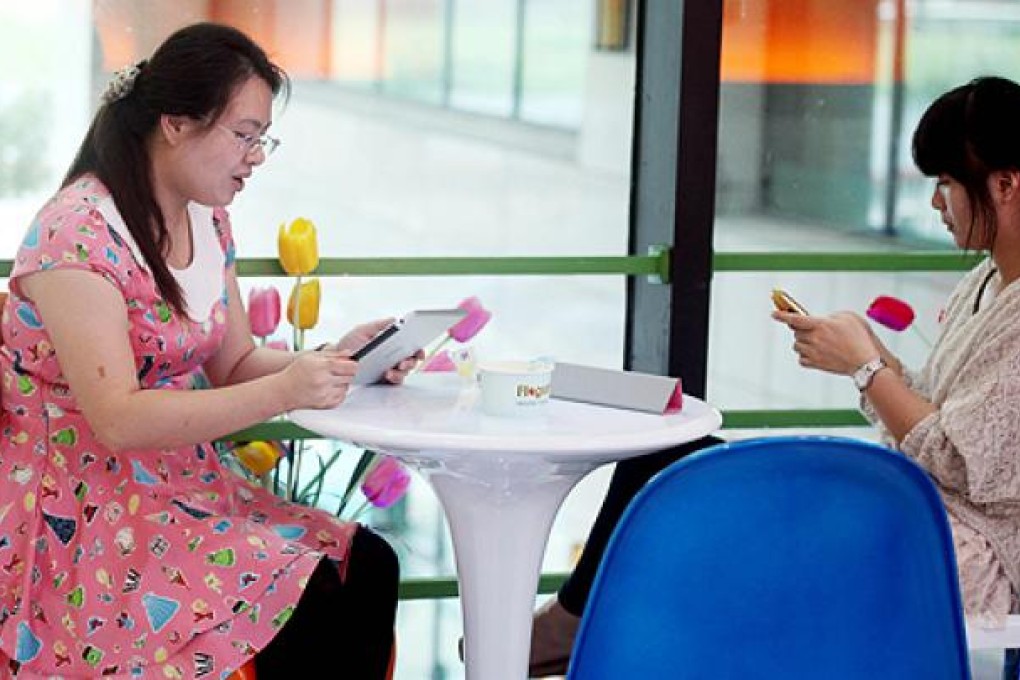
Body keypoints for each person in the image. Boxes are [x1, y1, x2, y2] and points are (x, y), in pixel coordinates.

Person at [0, 22, 416, 679]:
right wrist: (287, 389)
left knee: (368, 564)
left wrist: (343, 361)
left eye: (262, 138)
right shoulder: (75, 234)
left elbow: (235, 363)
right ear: (176, 123)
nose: (256, 156)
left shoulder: (207, 218)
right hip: (82, 516)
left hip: (180, 493)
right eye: (244, 134)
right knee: (300, 598)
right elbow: (118, 418)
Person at [773, 75, 1020, 680]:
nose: (936, 203)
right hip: (934, 510)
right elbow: (940, 419)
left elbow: (964, 461)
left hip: (989, 546)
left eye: (945, 184)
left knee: (801, 549)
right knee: (785, 518)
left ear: (1006, 184)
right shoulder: (984, 284)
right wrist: (871, 364)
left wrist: (867, 367)